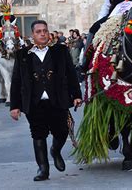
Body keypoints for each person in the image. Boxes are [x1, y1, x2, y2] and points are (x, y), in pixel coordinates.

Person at [10, 20, 82, 181]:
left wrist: (76, 95)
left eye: (45, 31)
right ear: (32, 35)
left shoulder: (60, 51)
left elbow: (71, 74)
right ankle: (43, 169)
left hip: (58, 100)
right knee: (38, 134)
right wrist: (14, 106)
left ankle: (55, 151)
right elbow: (16, 81)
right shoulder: (23, 54)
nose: (42, 34)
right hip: (34, 103)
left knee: (62, 131)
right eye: (38, 31)